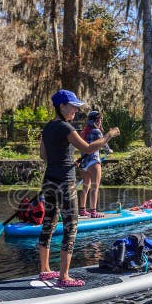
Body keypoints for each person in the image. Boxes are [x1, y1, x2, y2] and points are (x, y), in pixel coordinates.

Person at [38, 90, 120, 287]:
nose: (76, 110)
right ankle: (64, 277)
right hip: (65, 185)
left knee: (48, 225)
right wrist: (108, 135)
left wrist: (65, 162)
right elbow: (90, 148)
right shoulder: (66, 127)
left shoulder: (48, 128)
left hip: (49, 181)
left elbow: (44, 156)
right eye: (73, 106)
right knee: (71, 226)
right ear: (62, 106)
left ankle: (45, 270)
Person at [78, 110, 112, 218]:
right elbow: (104, 144)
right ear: (98, 120)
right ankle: (93, 212)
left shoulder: (84, 131)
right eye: (101, 119)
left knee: (85, 187)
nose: (101, 121)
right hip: (94, 161)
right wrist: (109, 151)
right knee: (95, 187)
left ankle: (82, 210)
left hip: (84, 164)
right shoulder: (97, 131)